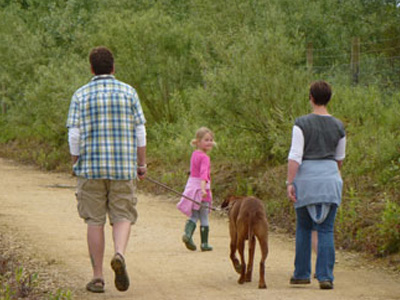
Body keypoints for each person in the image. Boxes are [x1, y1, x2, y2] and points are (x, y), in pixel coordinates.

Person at [66, 46, 147, 293]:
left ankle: (98, 276)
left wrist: (75, 161)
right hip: (123, 168)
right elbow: (140, 132)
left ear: (91, 68)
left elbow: (74, 134)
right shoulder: (129, 92)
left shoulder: (80, 95)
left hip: (90, 169)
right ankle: (119, 254)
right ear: (113, 67)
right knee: (122, 216)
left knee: (94, 221)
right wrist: (141, 164)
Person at [286, 80, 346, 290]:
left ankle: (301, 273)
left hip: (307, 181)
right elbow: (339, 158)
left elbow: (295, 156)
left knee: (304, 226)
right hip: (331, 180)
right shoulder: (339, 126)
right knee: (326, 229)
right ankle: (325, 276)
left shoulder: (301, 124)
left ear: (311, 97)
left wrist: (290, 182)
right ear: (329, 98)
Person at [177, 127, 215, 252]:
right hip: (201, 190)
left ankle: (187, 234)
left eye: (211, 140)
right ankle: (204, 244)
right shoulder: (205, 157)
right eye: (206, 140)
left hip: (191, 188)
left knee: (194, 215)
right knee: (204, 216)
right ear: (198, 141)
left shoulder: (194, 154)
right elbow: (203, 175)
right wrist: (203, 190)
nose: (209, 142)